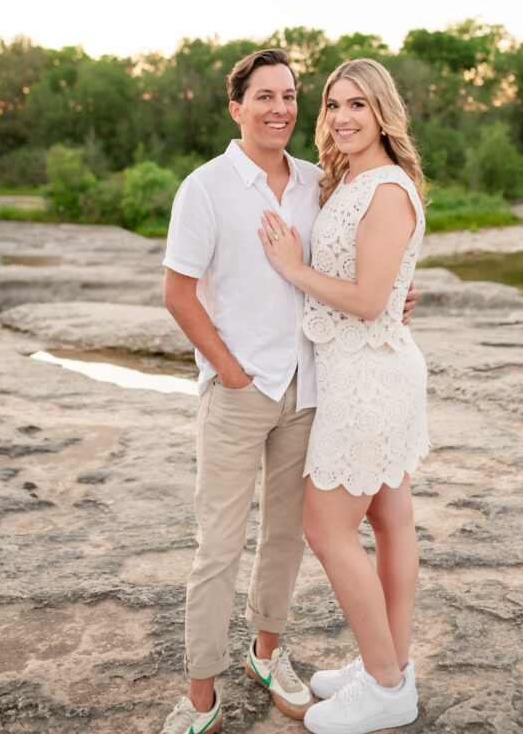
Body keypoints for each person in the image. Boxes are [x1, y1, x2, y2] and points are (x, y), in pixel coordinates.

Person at [159, 48, 418, 734]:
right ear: (236, 106)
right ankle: (200, 698)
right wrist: (229, 369)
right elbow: (177, 294)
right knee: (217, 546)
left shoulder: (317, 182)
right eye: (264, 96)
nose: (281, 108)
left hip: (310, 391)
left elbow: (363, 262)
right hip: (239, 390)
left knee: (285, 539)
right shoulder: (205, 187)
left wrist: (392, 294)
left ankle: (266, 655)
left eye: (291, 95)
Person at [258, 58, 429, 734]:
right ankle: (386, 662)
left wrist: (292, 269)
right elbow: (380, 287)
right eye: (332, 105)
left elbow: (364, 299)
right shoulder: (351, 180)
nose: (341, 118)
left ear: (382, 111)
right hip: (360, 368)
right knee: (389, 523)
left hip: (368, 379)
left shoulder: (385, 188)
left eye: (356, 104)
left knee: (325, 528)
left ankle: (386, 688)